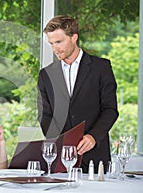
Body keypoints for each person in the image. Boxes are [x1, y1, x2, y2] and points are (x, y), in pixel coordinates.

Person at [37, 15, 119, 173]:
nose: (55, 48)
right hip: (59, 159)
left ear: (74, 37)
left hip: (95, 157)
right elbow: (45, 115)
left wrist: (93, 137)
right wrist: (59, 142)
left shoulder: (101, 67)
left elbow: (110, 110)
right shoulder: (46, 75)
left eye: (59, 42)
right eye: (51, 43)